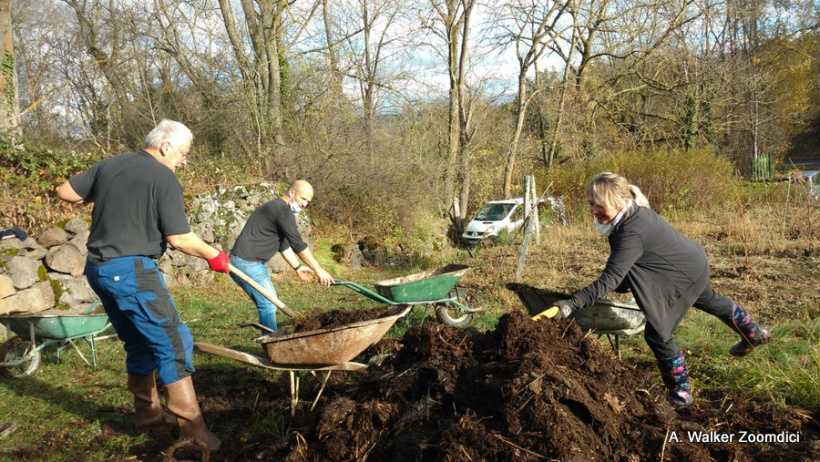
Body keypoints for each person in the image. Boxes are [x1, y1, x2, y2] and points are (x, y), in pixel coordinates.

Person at [57, 120, 228, 452]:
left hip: (98, 269)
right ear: (165, 147)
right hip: (132, 270)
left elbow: (66, 192)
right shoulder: (163, 176)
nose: (184, 161)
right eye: (183, 154)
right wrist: (214, 256)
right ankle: (193, 432)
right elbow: (178, 238)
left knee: (138, 341)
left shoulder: (111, 164)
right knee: (175, 342)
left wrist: (111, 193)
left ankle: (148, 418)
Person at [539, 172, 771, 407]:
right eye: (591, 203)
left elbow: (610, 279)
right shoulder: (632, 215)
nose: (593, 210)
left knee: (657, 334)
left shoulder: (631, 231)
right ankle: (754, 333)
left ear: (619, 202)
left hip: (681, 274)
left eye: (600, 205)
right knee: (708, 299)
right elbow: (630, 266)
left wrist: (572, 303)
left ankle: (681, 394)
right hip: (690, 264)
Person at [229, 180, 334, 332]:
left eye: (308, 201)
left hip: (248, 263)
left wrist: (297, 267)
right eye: (303, 198)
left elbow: (283, 245)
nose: (305, 204)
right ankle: (272, 343)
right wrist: (318, 269)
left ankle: (272, 341)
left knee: (268, 304)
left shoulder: (277, 208)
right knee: (268, 305)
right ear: (291, 192)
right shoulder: (282, 211)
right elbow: (298, 244)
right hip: (247, 263)